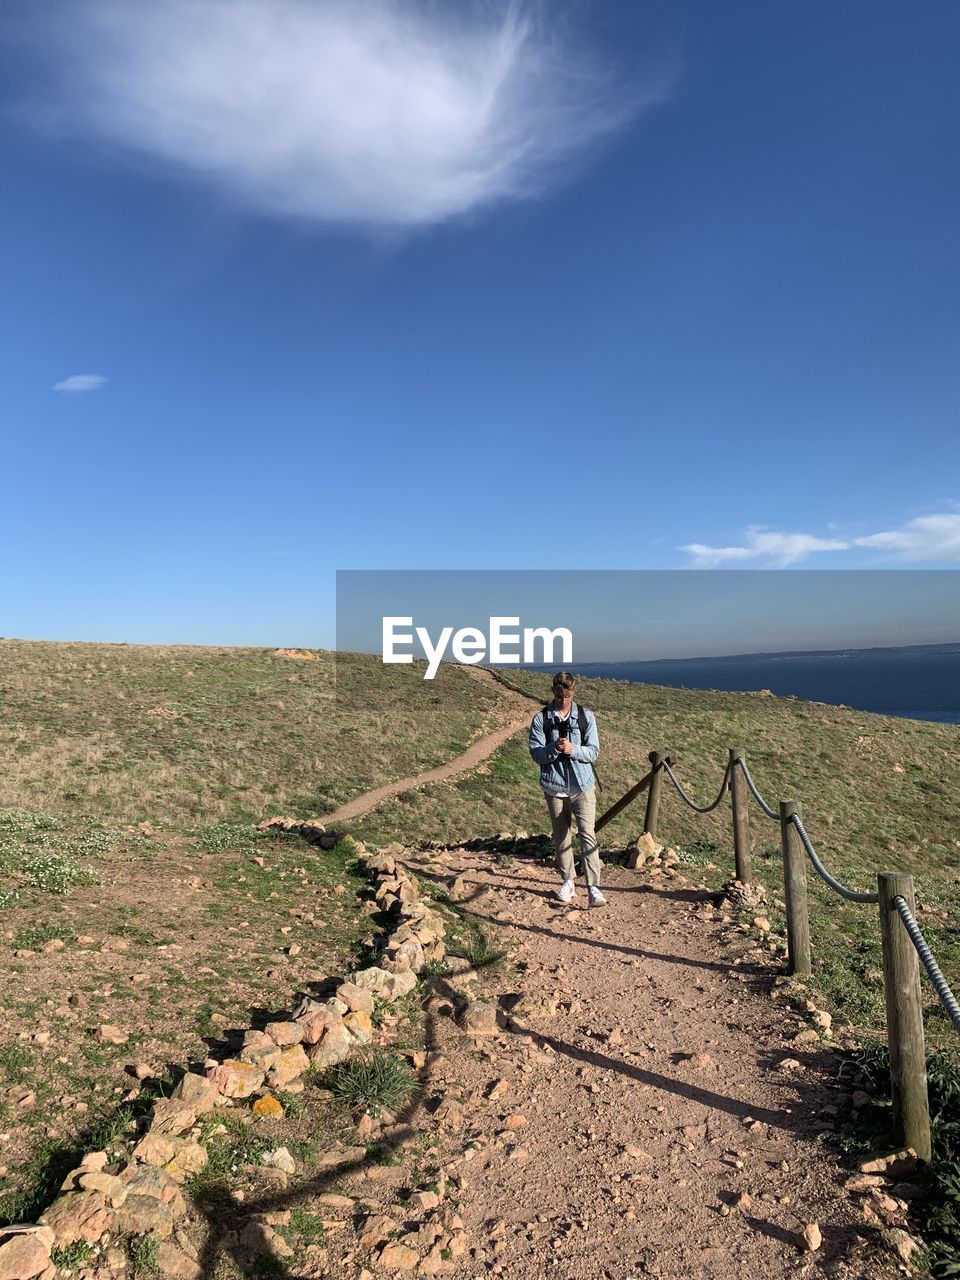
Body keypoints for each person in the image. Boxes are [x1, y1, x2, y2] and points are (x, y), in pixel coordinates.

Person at [528, 671, 605, 907]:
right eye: (561, 696)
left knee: (587, 834)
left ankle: (593, 888)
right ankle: (568, 882)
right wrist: (554, 747)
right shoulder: (541, 719)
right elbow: (536, 754)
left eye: (568, 696)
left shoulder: (585, 716)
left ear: (573, 692)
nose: (564, 701)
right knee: (561, 836)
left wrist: (573, 750)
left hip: (583, 785)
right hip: (554, 786)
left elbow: (593, 751)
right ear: (554, 692)